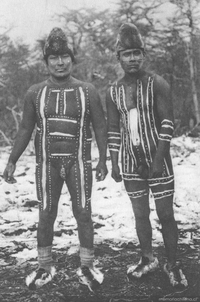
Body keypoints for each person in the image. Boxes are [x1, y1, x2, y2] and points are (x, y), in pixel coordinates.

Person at [3, 28, 108, 292]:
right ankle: (44, 265)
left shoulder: (87, 91)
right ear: (46, 61)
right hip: (47, 163)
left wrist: (104, 159)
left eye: (64, 57)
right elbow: (25, 129)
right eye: (54, 58)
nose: (60, 63)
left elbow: (100, 127)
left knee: (83, 212)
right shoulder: (35, 93)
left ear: (72, 60)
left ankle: (87, 265)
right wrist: (12, 159)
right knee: (46, 213)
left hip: (79, 161)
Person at [106, 23, 188, 287]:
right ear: (118, 57)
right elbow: (113, 129)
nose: (133, 58)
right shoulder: (113, 91)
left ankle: (173, 263)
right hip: (130, 164)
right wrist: (115, 161)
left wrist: (157, 160)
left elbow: (167, 125)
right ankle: (147, 258)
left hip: (159, 162)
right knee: (140, 214)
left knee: (165, 215)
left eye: (137, 53)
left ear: (144, 54)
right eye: (127, 53)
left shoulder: (157, 83)